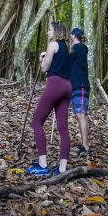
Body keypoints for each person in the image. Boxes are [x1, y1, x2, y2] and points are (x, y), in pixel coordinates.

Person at [26, 21, 73, 176]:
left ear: (57, 31)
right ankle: (62, 169)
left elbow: (45, 68)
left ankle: (43, 166)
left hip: (55, 84)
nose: (48, 32)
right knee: (63, 129)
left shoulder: (53, 44)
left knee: (37, 122)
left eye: (50, 29)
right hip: (68, 87)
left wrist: (42, 58)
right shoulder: (68, 48)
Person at [69, 27, 90, 156]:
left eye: (71, 35)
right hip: (76, 86)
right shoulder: (78, 49)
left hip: (80, 86)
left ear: (73, 36)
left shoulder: (79, 48)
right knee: (79, 115)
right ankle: (84, 144)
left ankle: (85, 146)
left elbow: (65, 55)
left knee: (81, 114)